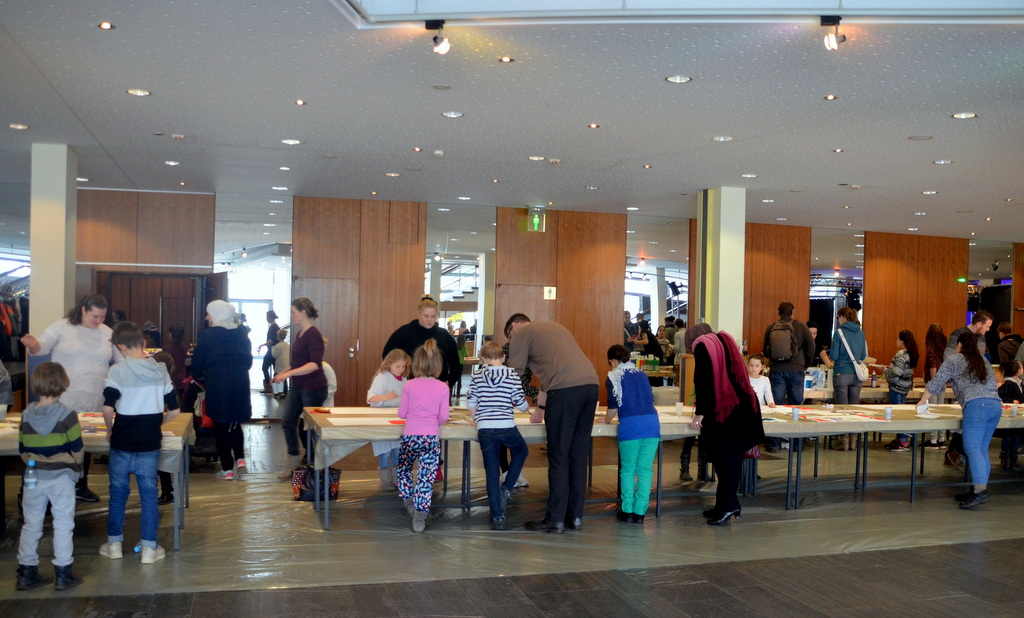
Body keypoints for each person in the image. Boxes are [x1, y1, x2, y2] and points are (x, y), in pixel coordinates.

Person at [20, 294, 122, 503]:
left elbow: (120, 360)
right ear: (83, 310)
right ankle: (53, 486)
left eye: (103, 317)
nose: (99, 321)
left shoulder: (107, 333)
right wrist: (32, 343)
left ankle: (80, 485)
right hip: (64, 398)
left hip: (94, 396)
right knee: (60, 441)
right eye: (95, 316)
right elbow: (41, 347)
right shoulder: (62, 326)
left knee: (84, 442)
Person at [506, 313, 599, 534]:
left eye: (509, 337)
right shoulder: (553, 327)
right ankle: (574, 517)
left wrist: (499, 402)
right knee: (577, 455)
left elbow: (513, 373)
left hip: (565, 392)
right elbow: (550, 374)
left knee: (558, 455)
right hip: (590, 387)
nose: (511, 342)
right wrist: (541, 407)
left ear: (515, 326)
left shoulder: (521, 333)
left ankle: (555, 519)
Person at [100, 321, 180, 564]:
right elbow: (175, 409)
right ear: (144, 343)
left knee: (118, 494)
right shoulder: (160, 370)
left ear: (120, 347)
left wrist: (110, 429)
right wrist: (158, 422)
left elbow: (107, 407)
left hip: (122, 442)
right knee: (149, 496)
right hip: (149, 444)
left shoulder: (117, 371)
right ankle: (149, 548)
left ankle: (114, 544)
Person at [16, 362, 84, 591]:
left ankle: (26, 573)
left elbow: (23, 450)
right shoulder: (68, 415)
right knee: (63, 523)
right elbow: (77, 448)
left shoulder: (26, 415)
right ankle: (63, 574)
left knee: (31, 524)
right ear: (62, 383)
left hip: (34, 477)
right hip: (62, 476)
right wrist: (76, 470)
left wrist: (35, 464)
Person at [915, 331, 1001, 509]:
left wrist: (922, 401)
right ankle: (978, 488)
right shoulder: (983, 361)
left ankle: (979, 491)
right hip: (995, 406)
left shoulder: (955, 359)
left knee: (972, 448)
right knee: (982, 449)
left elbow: (937, 381)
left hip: (976, 406)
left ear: (959, 345)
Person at [689, 330, 765, 525]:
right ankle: (724, 505)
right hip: (742, 410)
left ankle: (728, 506)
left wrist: (701, 411)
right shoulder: (724, 341)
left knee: (725, 464)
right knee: (730, 463)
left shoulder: (703, 346)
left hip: (727, 414)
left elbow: (703, 380)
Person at [467, 340, 530, 531]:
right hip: (506, 426)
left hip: (485, 429)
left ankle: (498, 518)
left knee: (491, 472)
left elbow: (471, 403)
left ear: (484, 359)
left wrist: (477, 419)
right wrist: (527, 408)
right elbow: (520, 403)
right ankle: (507, 488)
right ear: (504, 357)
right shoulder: (511, 374)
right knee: (521, 451)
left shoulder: (477, 375)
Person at [190, 300, 253, 481]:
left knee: (221, 426)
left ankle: (227, 469)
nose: (206, 317)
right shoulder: (242, 334)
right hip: (240, 384)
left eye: (208, 313)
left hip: (218, 385)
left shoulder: (207, 336)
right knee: (235, 422)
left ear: (216, 314)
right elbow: (248, 362)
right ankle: (240, 459)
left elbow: (197, 364)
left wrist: (199, 374)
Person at [396, 340, 451, 533]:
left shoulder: (409, 385)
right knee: (426, 478)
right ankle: (419, 518)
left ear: (416, 363)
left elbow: (402, 413)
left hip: (410, 436)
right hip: (430, 437)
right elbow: (444, 416)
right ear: (437, 364)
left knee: (403, 469)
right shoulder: (443, 387)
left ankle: (409, 501)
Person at [603, 344, 660, 524]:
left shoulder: (613, 376)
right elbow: (650, 399)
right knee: (645, 470)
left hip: (630, 427)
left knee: (628, 470)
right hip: (652, 425)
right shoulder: (642, 374)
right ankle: (640, 512)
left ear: (612, 361)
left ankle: (627, 510)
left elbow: (613, 408)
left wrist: (604, 421)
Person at [272, 298, 328, 478]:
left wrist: (289, 374)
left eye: (293, 312)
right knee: (288, 422)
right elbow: (297, 363)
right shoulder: (300, 334)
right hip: (298, 386)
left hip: (313, 387)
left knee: (311, 427)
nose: (291, 315)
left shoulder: (313, 334)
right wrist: (282, 373)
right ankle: (294, 464)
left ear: (303, 312)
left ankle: (318, 465)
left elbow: (314, 364)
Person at [762, 301, 815, 451]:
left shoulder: (771, 327)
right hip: (797, 370)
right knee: (795, 406)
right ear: (793, 312)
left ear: (778, 312)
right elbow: (811, 346)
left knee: (775, 406)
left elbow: (765, 351)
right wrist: (805, 364)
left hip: (777, 370)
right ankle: (797, 444)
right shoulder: (801, 326)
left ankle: (773, 443)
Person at [382, 296, 461, 395]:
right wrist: (399, 378)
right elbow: (387, 356)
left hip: (438, 388)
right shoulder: (404, 332)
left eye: (433, 316)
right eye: (426, 316)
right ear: (419, 314)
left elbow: (455, 363)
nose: (430, 320)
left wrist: (449, 382)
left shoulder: (444, 335)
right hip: (411, 387)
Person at [821, 306, 867, 450]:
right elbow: (863, 355)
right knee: (854, 407)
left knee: (842, 408)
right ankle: (854, 441)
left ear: (841, 317)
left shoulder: (839, 332)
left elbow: (834, 356)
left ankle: (844, 441)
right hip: (856, 375)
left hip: (841, 373)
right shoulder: (860, 332)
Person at [367, 348, 410, 491]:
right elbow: (371, 398)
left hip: (396, 419)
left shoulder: (404, 380)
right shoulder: (382, 377)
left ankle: (396, 479)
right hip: (382, 419)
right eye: (398, 366)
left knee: (397, 450)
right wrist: (386, 397)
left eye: (403, 366)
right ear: (389, 364)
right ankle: (385, 481)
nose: (401, 369)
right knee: (385, 452)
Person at [679, 323, 713, 482]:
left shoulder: (704, 354)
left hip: (703, 406)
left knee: (704, 439)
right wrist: (696, 400)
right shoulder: (704, 355)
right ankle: (684, 469)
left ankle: (702, 471)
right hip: (696, 406)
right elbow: (698, 387)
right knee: (691, 437)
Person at [878, 330, 919, 452]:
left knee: (899, 415)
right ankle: (899, 439)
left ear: (902, 341)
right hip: (905, 387)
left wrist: (885, 371)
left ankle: (903, 441)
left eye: (898, 339)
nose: (896, 341)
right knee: (901, 412)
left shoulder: (901, 355)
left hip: (897, 388)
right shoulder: (911, 354)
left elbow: (897, 372)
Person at [152, 351, 178, 505]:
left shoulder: (152, 381)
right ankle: (167, 490)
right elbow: (174, 408)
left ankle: (161, 490)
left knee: (155, 461)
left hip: (152, 424)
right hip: (159, 424)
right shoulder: (166, 383)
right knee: (160, 460)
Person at [923, 324, 950, 453]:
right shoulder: (945, 349)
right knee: (941, 410)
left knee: (933, 411)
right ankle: (941, 439)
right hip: (943, 382)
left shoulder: (931, 349)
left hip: (934, 383)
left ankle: (933, 440)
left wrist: (934, 382)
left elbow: (933, 367)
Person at [256, 310, 281, 393]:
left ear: (270, 317)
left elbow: (271, 340)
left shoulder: (272, 328)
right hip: (276, 351)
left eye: (267, 317)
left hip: (271, 351)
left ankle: (268, 386)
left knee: (264, 368)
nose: (266, 318)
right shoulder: (277, 327)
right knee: (275, 369)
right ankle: (276, 387)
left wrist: (261, 345)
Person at [271, 329, 290, 399]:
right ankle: (284, 392)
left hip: (280, 364)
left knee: (276, 377)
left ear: (278, 337)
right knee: (284, 378)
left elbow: (275, 355)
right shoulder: (288, 345)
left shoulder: (278, 346)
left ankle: (277, 392)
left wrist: (272, 349)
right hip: (287, 364)